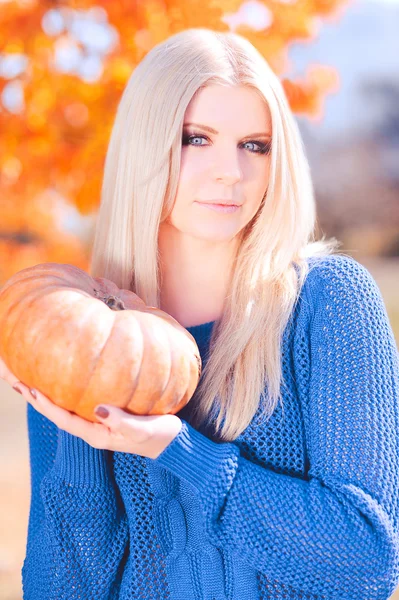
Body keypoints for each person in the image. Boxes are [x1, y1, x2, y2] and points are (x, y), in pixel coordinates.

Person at [2, 27, 399, 599]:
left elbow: (366, 564)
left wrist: (179, 452)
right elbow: (59, 589)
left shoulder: (328, 303)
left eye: (254, 145)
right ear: (148, 145)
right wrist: (82, 438)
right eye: (197, 138)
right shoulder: (71, 336)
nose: (230, 173)